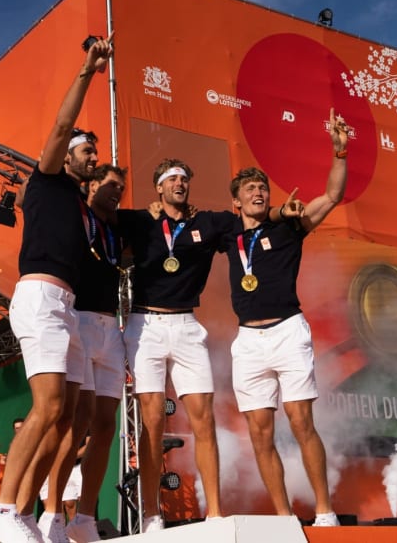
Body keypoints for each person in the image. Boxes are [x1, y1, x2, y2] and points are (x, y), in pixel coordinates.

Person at [0, 34, 113, 543]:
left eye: (93, 152)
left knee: (69, 423)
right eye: (85, 150)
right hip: (39, 298)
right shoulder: (46, 179)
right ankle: (3, 509)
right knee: (50, 407)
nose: (90, 157)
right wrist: (87, 72)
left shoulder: (81, 207)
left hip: (71, 308)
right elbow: (60, 126)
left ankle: (33, 514)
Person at [224, 108, 348, 527]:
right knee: (260, 432)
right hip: (248, 341)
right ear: (236, 200)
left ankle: (326, 512)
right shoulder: (228, 234)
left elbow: (330, 197)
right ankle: (283, 518)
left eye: (262, 188)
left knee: (300, 422)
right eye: (250, 188)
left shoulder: (290, 226)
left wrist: (340, 153)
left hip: (287, 331)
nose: (259, 192)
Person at [118, 159, 236, 531]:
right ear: (158, 188)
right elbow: (99, 214)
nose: (179, 184)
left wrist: (282, 212)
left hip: (187, 324)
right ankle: (152, 515)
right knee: (151, 422)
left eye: (184, 179)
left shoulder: (207, 223)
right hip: (145, 324)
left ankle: (215, 512)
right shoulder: (140, 220)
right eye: (171, 180)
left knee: (204, 418)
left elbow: (252, 218)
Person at [63, 165, 129, 543]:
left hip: (111, 327)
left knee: (105, 426)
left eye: (122, 187)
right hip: (82, 321)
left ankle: (85, 517)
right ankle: (54, 512)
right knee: (76, 422)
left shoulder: (116, 229)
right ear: (91, 185)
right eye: (111, 185)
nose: (117, 191)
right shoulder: (78, 213)